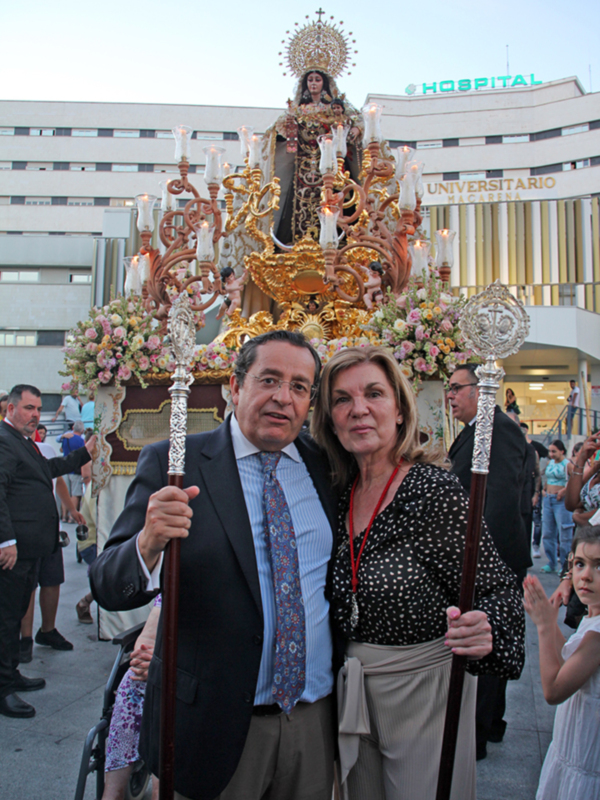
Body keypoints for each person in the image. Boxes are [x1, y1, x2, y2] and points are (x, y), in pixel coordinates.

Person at [90, 330, 338, 800]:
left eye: (300, 386)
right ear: (235, 386)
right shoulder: (175, 464)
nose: (283, 398)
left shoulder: (324, 464)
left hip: (312, 720)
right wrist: (147, 542)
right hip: (212, 723)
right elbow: (107, 583)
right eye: (269, 379)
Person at [311, 346, 525, 799]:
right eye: (342, 399)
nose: (359, 409)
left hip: (424, 693)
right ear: (330, 419)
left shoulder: (433, 493)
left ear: (400, 411)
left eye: (374, 394)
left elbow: (497, 589)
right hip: (347, 688)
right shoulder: (334, 491)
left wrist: (486, 626)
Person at [447, 363, 530, 760]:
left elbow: (495, 502)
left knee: (485, 643)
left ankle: (478, 734)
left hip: (490, 562)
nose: (449, 395)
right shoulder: (477, 431)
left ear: (479, 392)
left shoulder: (496, 430)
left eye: (455, 388)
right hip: (487, 558)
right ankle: (491, 723)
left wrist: (478, 564)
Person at [0, 384, 94, 718]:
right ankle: (3, 688)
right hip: (15, 551)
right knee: (6, 618)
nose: (35, 415)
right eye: (28, 408)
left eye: (38, 409)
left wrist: (87, 450)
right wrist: (5, 541)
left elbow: (49, 471)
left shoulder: (26, 443)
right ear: (10, 409)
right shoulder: (3, 440)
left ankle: (10, 674)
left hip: (31, 549)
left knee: (14, 615)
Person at [524, 526, 600, 800]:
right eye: (580, 564)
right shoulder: (591, 622)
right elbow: (566, 657)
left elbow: (553, 690)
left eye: (599, 566)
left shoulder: (596, 637)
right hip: (573, 751)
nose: (586, 576)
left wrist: (545, 627)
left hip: (584, 761)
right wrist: (546, 619)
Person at [102, 597, 161, 800]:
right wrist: (146, 662)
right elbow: (146, 640)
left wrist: (163, 664)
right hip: (153, 672)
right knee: (132, 682)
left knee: (172, 693)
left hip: (189, 676)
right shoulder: (174, 582)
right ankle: (112, 793)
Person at [541, 440, 574, 575]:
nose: (551, 454)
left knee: (564, 533)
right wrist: (543, 490)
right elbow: (547, 479)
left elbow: (575, 481)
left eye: (554, 451)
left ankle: (565, 563)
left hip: (561, 501)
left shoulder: (568, 465)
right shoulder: (550, 463)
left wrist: (564, 491)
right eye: (550, 451)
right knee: (548, 533)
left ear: (562, 451)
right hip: (548, 499)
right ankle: (551, 561)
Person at [57, 420, 86, 518]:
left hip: (65, 469)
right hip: (75, 470)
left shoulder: (66, 438)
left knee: (65, 495)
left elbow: (61, 449)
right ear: (82, 430)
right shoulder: (80, 440)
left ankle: (64, 515)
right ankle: (71, 517)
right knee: (75, 494)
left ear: (73, 428)